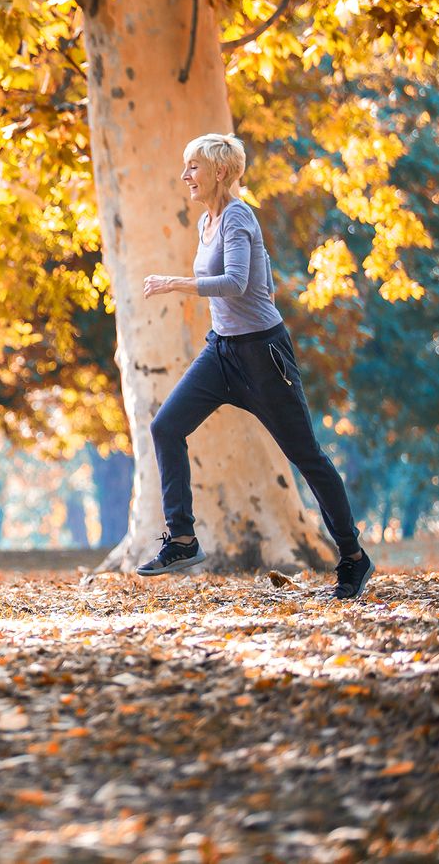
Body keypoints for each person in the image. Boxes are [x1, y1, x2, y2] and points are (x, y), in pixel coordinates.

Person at [139, 133, 373, 599]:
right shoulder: (208, 220)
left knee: (306, 455)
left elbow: (237, 282)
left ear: (219, 171)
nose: (185, 176)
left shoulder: (238, 216)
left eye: (193, 167)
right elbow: (257, 283)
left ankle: (352, 556)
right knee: (166, 427)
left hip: (264, 356)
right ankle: (182, 539)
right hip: (221, 352)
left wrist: (173, 283)